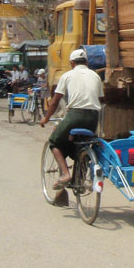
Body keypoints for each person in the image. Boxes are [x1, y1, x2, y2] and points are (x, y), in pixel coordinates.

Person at [40, 49, 104, 190]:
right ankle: (79, 181)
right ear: (86, 62)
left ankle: (65, 174)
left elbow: (55, 102)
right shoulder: (95, 76)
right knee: (85, 143)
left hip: (75, 115)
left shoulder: (67, 75)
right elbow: (100, 99)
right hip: (93, 117)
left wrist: (46, 118)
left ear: (72, 63)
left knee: (54, 142)